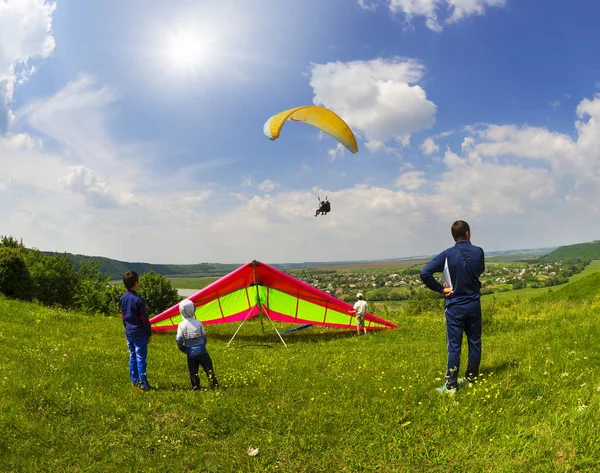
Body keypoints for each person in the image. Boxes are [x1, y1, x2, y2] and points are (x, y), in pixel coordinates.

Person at [420, 220, 485, 394]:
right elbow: (479, 271)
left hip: (455, 305)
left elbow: (424, 273)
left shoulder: (447, 254)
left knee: (454, 346)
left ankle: (451, 385)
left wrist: (441, 289)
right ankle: (472, 378)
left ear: (453, 236)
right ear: (467, 233)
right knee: (475, 342)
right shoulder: (479, 252)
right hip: (473, 304)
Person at [120, 270, 153, 391]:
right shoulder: (139, 300)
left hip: (129, 332)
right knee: (141, 358)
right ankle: (144, 383)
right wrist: (148, 333)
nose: (140, 282)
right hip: (139, 334)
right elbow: (144, 319)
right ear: (135, 283)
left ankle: (134, 381)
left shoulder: (123, 298)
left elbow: (123, 315)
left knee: (132, 356)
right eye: (139, 280)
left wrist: (126, 327)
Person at [176, 299, 219, 390]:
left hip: (190, 353)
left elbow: (179, 340)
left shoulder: (181, 325)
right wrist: (203, 345)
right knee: (208, 369)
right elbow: (204, 336)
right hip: (202, 351)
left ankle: (195, 386)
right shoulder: (198, 322)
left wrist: (183, 348)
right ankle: (214, 385)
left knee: (193, 371)